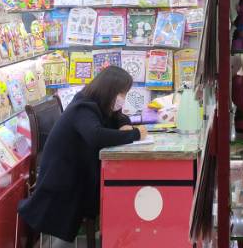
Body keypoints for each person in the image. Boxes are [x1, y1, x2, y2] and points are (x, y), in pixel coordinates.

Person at [18, 66, 147, 245]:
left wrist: (123, 124)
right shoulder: (83, 107)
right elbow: (96, 136)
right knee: (120, 191)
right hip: (64, 179)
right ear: (110, 90)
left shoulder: (98, 104)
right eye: (122, 94)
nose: (122, 99)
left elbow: (117, 117)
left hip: (78, 169)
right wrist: (135, 134)